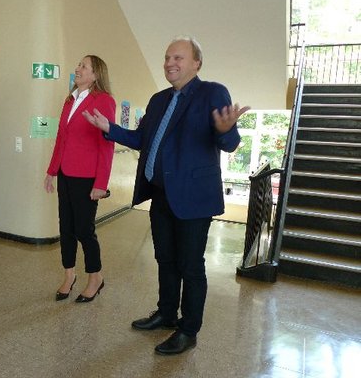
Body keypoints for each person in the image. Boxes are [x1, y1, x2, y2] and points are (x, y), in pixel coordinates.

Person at [83, 37, 249, 354]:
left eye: (178, 57)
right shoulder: (159, 99)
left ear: (196, 63)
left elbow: (228, 143)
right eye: (166, 57)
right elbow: (141, 139)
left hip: (194, 198)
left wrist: (227, 129)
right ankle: (167, 313)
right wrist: (109, 127)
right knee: (165, 260)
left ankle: (188, 330)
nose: (170, 62)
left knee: (190, 266)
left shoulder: (212, 92)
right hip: (160, 195)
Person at [44, 55, 115, 303]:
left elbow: (106, 145)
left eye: (83, 66)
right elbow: (61, 138)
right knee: (66, 228)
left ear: (96, 75)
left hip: (87, 177)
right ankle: (69, 275)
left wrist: (101, 184)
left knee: (84, 230)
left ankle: (95, 277)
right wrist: (52, 171)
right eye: (78, 65)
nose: (78, 68)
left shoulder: (104, 101)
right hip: (65, 173)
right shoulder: (69, 100)